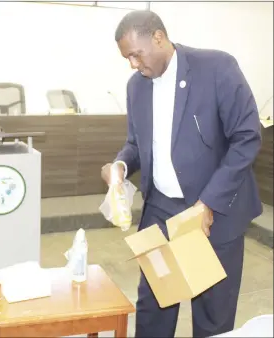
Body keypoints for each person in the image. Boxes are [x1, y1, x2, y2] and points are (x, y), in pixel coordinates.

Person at [101, 10, 263, 338]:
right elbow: (136, 144)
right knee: (154, 305)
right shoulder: (137, 87)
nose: (132, 64)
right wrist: (119, 166)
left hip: (211, 212)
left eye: (136, 54)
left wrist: (208, 203)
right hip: (161, 212)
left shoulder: (216, 69)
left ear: (158, 38)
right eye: (126, 58)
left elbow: (247, 137)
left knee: (212, 314)